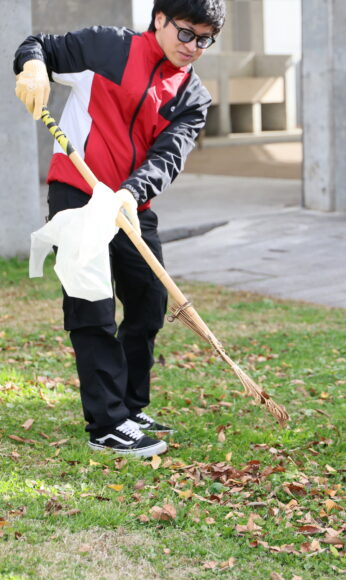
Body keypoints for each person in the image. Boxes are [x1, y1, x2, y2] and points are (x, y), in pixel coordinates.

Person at [13, 0, 226, 458]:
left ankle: (129, 407)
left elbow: (169, 156)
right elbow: (40, 46)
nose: (193, 46)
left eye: (205, 40)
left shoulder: (192, 97)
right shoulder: (108, 47)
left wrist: (131, 193)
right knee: (92, 306)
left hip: (131, 204)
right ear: (160, 19)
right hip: (78, 193)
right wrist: (32, 67)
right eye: (186, 33)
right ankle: (107, 424)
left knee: (148, 303)